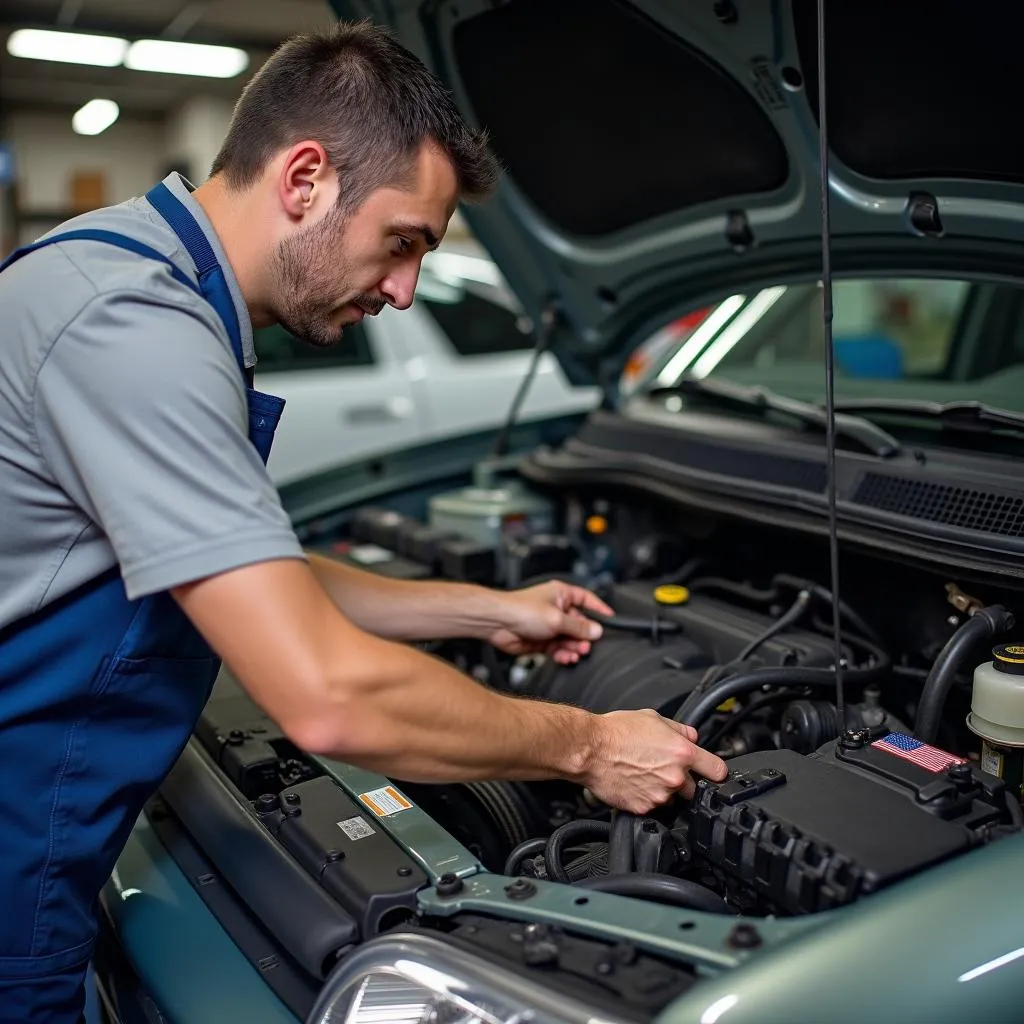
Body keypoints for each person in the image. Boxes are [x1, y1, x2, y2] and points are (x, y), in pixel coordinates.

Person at [0, 20, 727, 1023]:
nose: (402, 290)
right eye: (402, 244)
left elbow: (246, 571)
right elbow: (326, 700)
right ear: (303, 178)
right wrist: (590, 745)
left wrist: (484, 611)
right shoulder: (137, 329)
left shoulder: (130, 271)